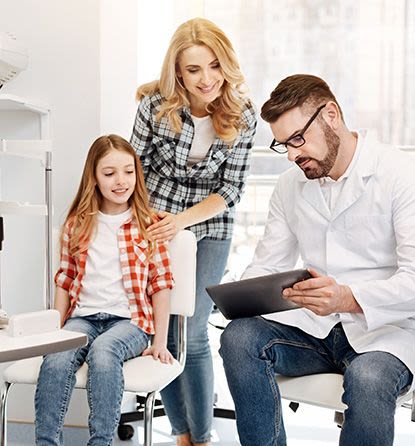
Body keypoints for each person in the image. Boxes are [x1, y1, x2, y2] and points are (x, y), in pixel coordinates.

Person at [219, 74, 415, 446]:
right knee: (239, 338)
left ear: (331, 115)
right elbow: (266, 264)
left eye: (297, 139)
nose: (292, 155)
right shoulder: (290, 186)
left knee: (368, 378)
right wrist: (242, 296)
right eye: (283, 146)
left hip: (384, 333)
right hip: (313, 331)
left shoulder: (402, 174)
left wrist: (348, 298)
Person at [130, 17, 257, 446]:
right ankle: (180, 432)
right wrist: (153, 223)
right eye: (194, 70)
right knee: (160, 329)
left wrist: (182, 221)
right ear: (178, 73)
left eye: (214, 66)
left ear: (226, 64)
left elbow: (231, 190)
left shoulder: (244, 115)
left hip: (211, 222)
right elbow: (137, 171)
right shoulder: (154, 105)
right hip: (157, 220)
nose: (207, 80)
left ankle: (202, 437)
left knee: (197, 328)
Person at [34, 134, 175, 446]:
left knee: (104, 352)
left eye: (128, 171)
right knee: (56, 359)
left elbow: (161, 285)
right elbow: (65, 280)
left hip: (130, 323)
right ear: (94, 178)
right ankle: (45, 442)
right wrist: (55, 330)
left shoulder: (148, 223)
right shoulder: (78, 224)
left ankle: (101, 441)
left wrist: (161, 340)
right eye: (109, 173)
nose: (120, 181)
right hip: (83, 318)